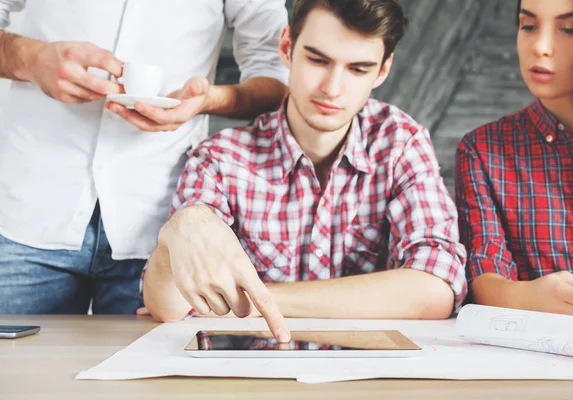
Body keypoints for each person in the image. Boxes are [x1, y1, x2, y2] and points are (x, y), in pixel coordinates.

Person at [143, 0, 467, 342]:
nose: (332, 87)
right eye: (318, 60)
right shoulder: (220, 159)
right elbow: (170, 306)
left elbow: (435, 288)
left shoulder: (401, 142)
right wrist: (179, 231)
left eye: (358, 69)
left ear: (383, 71)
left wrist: (263, 298)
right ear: (287, 48)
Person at [0, 1, 289, 314]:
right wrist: (28, 59)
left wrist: (208, 100)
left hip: (160, 231)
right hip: (27, 210)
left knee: (147, 364)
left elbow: (276, 77)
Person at [456, 0, 573, 318]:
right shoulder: (484, 151)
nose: (541, 47)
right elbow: (483, 275)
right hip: (535, 364)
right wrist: (528, 297)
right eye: (529, 25)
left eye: (569, 29)